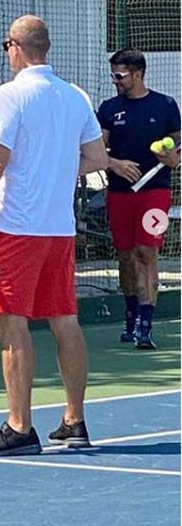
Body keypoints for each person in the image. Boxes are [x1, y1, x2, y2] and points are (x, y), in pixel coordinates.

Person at [0, 15, 108, 457]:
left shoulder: (10, 94)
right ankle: (73, 422)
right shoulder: (75, 96)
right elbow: (96, 158)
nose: (5, 53)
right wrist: (54, 173)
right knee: (65, 321)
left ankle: (19, 427)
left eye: (5, 45)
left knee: (10, 322)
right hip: (59, 232)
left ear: (16, 47)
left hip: (15, 230)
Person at [97, 49, 180, 349]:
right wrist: (115, 164)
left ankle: (145, 326)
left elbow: (178, 149)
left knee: (147, 251)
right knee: (127, 256)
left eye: (120, 75)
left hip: (155, 192)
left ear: (138, 73)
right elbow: (96, 152)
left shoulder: (166, 105)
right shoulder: (108, 109)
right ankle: (130, 317)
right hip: (119, 194)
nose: (115, 81)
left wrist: (172, 157)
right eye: (113, 75)